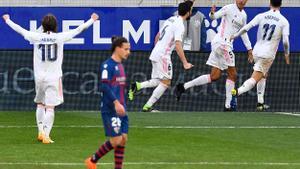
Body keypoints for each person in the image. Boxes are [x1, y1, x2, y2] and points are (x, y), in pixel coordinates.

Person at [2, 13, 99, 143]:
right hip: (53, 77)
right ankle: (46, 135)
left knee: (40, 104)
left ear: (42, 26)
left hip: (39, 77)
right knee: (50, 107)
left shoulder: (36, 36)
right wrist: (92, 20)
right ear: (55, 26)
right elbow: (79, 29)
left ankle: (40, 131)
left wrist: (8, 20)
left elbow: (19, 29)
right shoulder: (60, 37)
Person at [176, 0, 253, 111]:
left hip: (223, 45)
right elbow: (214, 17)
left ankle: (183, 87)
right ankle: (228, 105)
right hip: (222, 43)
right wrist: (212, 13)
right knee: (233, 75)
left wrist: (249, 48)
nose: (242, 1)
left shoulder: (244, 15)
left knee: (215, 76)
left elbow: (243, 32)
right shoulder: (228, 8)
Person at [128, 2, 193, 112]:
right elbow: (177, 45)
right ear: (188, 12)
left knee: (158, 80)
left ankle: (137, 86)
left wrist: (157, 49)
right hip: (163, 55)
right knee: (166, 82)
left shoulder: (170, 19)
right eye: (191, 10)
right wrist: (185, 62)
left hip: (156, 52)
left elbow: (158, 35)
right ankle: (148, 106)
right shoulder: (180, 25)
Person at [230, 0, 290, 109]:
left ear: (269, 3)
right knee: (255, 79)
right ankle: (236, 92)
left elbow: (246, 27)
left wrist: (235, 35)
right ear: (281, 4)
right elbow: (285, 41)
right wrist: (286, 54)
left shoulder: (262, 15)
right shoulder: (284, 21)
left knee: (263, 74)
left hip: (256, 52)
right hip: (267, 55)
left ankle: (260, 103)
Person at [85, 36, 130, 169]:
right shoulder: (107, 65)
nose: (128, 52)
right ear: (117, 49)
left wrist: (122, 104)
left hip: (121, 108)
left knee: (123, 139)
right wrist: (116, 103)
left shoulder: (120, 65)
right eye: (126, 49)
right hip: (110, 109)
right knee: (116, 140)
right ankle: (92, 161)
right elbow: (104, 86)